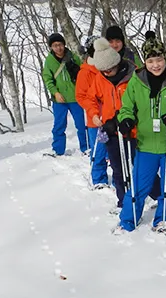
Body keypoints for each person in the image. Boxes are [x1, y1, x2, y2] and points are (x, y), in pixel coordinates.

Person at [115, 31, 166, 234]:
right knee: (139, 187)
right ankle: (128, 220)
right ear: (145, 62)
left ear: (165, 59)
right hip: (145, 143)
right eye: (151, 61)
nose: (155, 65)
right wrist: (125, 119)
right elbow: (126, 107)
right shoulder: (136, 81)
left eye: (159, 59)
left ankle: (164, 221)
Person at [80, 37, 136, 210]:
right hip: (111, 129)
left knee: (138, 168)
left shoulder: (134, 75)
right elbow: (89, 98)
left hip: (133, 129)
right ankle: (123, 203)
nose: (107, 73)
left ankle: (153, 195)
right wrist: (94, 114)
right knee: (118, 169)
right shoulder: (100, 78)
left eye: (110, 69)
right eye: (103, 70)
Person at [41, 33, 87, 156]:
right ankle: (58, 150)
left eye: (60, 44)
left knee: (81, 125)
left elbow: (82, 73)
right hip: (59, 99)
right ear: (51, 47)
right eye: (55, 45)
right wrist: (55, 93)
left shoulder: (72, 56)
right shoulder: (49, 61)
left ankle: (86, 148)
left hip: (75, 97)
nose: (58, 48)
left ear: (64, 44)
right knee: (59, 126)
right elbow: (48, 79)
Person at [76, 35, 109, 188]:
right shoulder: (85, 72)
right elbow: (81, 96)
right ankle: (99, 180)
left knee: (114, 152)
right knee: (98, 152)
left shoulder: (109, 66)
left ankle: (119, 179)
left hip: (112, 117)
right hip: (95, 120)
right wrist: (93, 112)